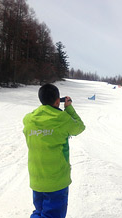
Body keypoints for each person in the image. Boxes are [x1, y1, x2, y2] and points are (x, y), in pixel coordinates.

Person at [23, 83, 85, 218]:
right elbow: (80, 127)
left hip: (37, 180)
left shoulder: (28, 119)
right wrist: (69, 108)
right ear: (58, 101)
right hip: (56, 181)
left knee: (39, 212)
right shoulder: (62, 119)